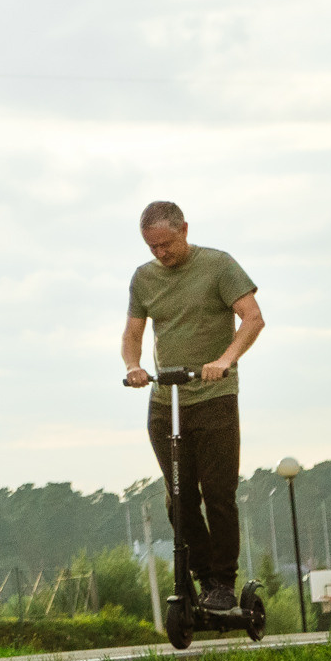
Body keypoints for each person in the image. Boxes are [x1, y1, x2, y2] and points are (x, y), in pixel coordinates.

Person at [121, 201, 264, 615]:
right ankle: (202, 579)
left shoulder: (219, 266)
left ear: (184, 229)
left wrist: (225, 360)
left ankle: (224, 581)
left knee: (218, 494)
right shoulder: (144, 278)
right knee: (178, 498)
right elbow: (132, 334)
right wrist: (133, 366)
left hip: (213, 397)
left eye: (166, 244)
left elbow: (252, 318)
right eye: (152, 247)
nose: (160, 253)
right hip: (166, 401)